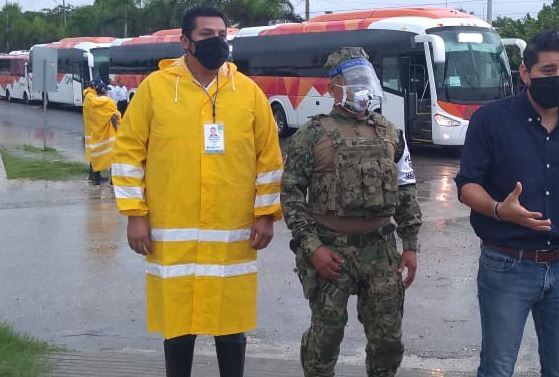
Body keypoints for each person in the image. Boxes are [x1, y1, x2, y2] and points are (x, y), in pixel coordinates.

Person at [110, 6, 283, 377]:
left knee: (231, 322)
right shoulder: (156, 91)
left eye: (222, 34)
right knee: (178, 323)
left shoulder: (247, 93)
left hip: (232, 232)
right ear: (185, 41)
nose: (217, 41)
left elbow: (269, 158)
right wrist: (135, 216)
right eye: (206, 35)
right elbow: (127, 153)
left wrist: (266, 215)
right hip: (173, 230)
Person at [454, 30, 559, 377]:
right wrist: (501, 209)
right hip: (507, 264)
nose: (558, 78)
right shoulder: (490, 120)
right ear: (525, 73)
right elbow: (467, 185)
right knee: (498, 367)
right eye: (548, 70)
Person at [281, 47, 422, 377]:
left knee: (387, 341)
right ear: (332, 88)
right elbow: (290, 195)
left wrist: (411, 245)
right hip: (331, 250)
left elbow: (406, 190)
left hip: (380, 250)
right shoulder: (311, 135)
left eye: (365, 79)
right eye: (352, 81)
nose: (362, 88)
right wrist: (313, 249)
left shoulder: (390, 133)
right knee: (326, 337)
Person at [83, 79, 120, 185]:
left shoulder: (90, 100)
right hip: (108, 134)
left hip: (95, 132)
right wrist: (118, 129)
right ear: (104, 91)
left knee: (95, 154)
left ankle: (95, 178)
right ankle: (112, 180)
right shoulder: (108, 102)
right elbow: (114, 117)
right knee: (112, 156)